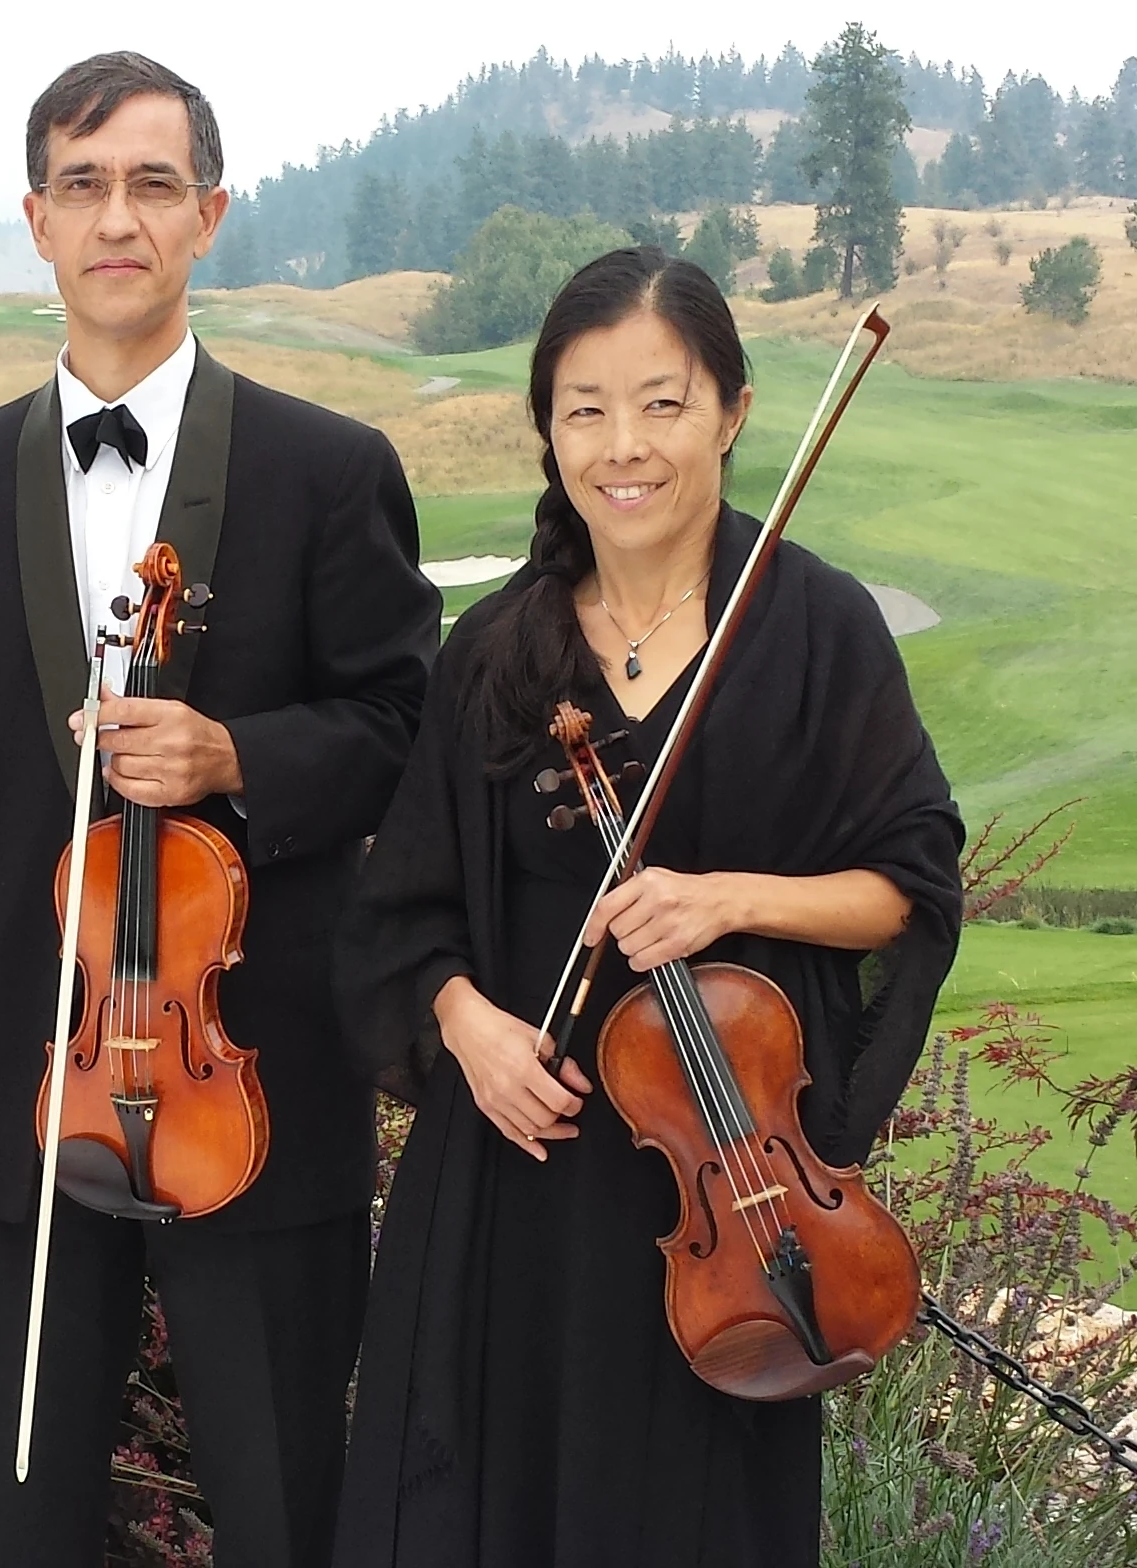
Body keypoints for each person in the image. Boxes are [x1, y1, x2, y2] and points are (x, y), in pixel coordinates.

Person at [0, 51, 440, 1567]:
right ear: (37, 221)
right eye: (85, 185)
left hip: (255, 1079)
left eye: (153, 184)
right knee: (26, 1516)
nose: (118, 217)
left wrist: (238, 755)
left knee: (283, 1514)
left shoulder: (332, 468)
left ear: (212, 215)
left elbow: (403, 731)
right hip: (20, 1082)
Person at [332, 247, 964, 1567]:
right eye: (585, 408)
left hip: (734, 1212)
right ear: (549, 429)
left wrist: (730, 898)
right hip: (516, 1188)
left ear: (732, 413)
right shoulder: (498, 652)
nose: (625, 447)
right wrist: (467, 1026)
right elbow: (402, 913)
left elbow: (905, 890)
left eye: (663, 404)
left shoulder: (818, 630)